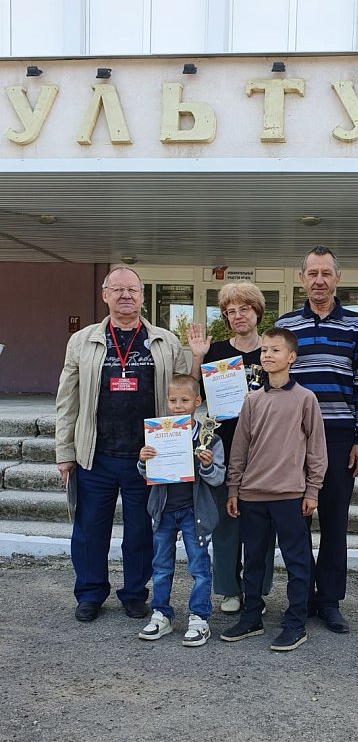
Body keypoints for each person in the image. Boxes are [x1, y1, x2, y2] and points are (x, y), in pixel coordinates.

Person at [55, 265, 203, 623]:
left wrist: (198, 358)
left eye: (132, 290)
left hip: (148, 456)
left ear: (142, 296)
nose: (125, 295)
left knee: (141, 532)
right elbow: (67, 400)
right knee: (89, 531)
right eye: (117, 289)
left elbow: (183, 393)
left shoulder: (165, 341)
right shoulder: (83, 341)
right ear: (105, 295)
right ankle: (90, 593)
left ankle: (135, 593)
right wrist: (65, 452)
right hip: (95, 454)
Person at [276, 246, 358, 633]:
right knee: (296, 524)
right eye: (312, 273)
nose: (319, 280)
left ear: (338, 278)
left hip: (339, 437)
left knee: (334, 523)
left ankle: (329, 601)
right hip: (293, 439)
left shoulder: (357, 327)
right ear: (301, 278)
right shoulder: (285, 326)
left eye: (326, 273)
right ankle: (301, 598)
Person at [220, 327, 327, 652]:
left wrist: (312, 490)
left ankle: (295, 622)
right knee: (253, 559)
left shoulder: (305, 399)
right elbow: (240, 448)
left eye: (275, 350)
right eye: (264, 350)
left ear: (291, 357)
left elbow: (316, 450)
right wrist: (234, 488)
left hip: (290, 496)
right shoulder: (252, 400)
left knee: (297, 561)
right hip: (252, 495)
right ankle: (252, 616)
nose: (267, 355)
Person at [187, 282, 274, 614]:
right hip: (221, 448)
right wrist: (197, 357)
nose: (238, 316)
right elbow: (191, 394)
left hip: (263, 448)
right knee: (226, 521)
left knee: (261, 524)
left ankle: (256, 589)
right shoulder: (216, 352)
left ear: (257, 312)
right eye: (230, 311)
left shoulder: (271, 350)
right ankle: (228, 590)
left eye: (244, 309)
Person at [137, 374, 225, 646]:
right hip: (163, 511)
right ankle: (161, 614)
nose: (177, 406)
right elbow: (147, 474)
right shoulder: (158, 434)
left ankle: (199, 618)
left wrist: (207, 465)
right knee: (161, 567)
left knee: (199, 567)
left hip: (194, 513)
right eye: (173, 400)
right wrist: (143, 460)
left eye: (184, 400)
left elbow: (218, 478)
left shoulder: (209, 438)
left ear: (197, 401)